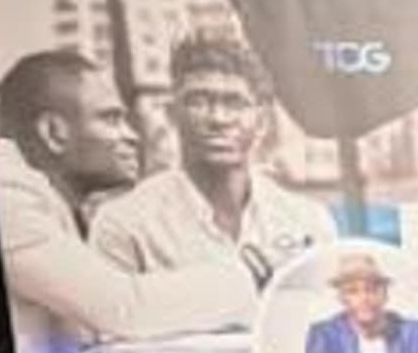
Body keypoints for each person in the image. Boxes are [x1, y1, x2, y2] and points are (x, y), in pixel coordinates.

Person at [85, 23, 334, 309]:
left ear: (262, 122)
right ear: (171, 113)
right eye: (198, 101)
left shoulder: (308, 220)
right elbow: (113, 329)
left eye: (235, 103)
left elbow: (320, 321)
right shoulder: (125, 223)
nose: (218, 118)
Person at [0, 43, 145, 353]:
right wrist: (248, 274)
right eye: (111, 119)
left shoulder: (54, 198)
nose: (132, 136)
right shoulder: (5, 192)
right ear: (54, 132)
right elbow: (123, 309)